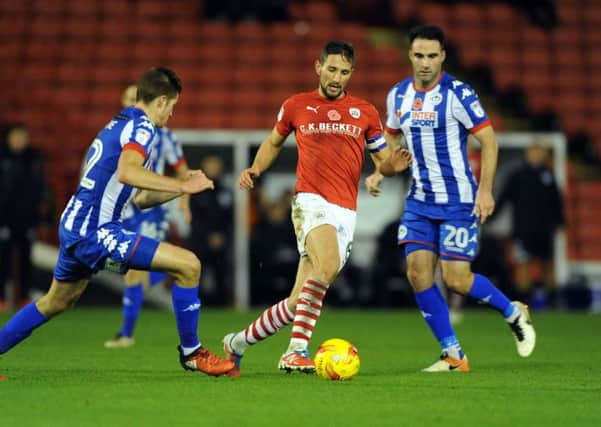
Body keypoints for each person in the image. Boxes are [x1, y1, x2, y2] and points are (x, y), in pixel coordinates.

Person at [0, 67, 234, 377]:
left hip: (76, 226)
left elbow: (138, 197)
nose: (172, 115)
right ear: (161, 101)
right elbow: (127, 172)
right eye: (173, 106)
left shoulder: (119, 123)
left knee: (55, 301)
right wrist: (181, 187)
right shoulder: (142, 128)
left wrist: (180, 185)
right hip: (97, 232)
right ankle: (192, 353)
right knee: (189, 265)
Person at [222, 40, 412, 377]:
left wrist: (392, 167)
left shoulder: (365, 112)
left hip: (345, 211)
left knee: (300, 299)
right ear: (318, 67)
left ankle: (237, 343)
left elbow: (382, 162)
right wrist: (255, 169)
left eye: (345, 71)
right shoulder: (296, 106)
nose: (337, 77)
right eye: (332, 69)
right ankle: (295, 351)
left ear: (352, 73)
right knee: (326, 267)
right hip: (310, 201)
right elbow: (273, 142)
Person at [365, 25, 536, 372]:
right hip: (418, 201)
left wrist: (485, 190)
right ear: (409, 56)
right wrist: (381, 171)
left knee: (457, 279)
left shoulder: (458, 93)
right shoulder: (397, 96)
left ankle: (514, 312)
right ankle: (454, 355)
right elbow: (389, 145)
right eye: (418, 55)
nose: (425, 63)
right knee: (417, 274)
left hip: (458, 201)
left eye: (431, 56)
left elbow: (489, 141)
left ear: (442, 56)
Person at [104, 84, 192, 348]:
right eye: (129, 98)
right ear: (123, 100)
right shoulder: (116, 133)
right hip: (121, 212)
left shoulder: (165, 136)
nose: (133, 103)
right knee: (121, 267)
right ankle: (168, 269)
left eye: (136, 98)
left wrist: (184, 202)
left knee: (132, 273)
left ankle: (126, 335)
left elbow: (182, 171)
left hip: (150, 212)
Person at [495, 141, 565, 307]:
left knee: (547, 263)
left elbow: (556, 201)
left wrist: (560, 222)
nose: (536, 155)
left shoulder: (548, 175)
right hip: (523, 229)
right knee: (523, 263)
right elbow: (504, 198)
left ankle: (552, 300)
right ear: (528, 154)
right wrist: (490, 215)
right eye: (533, 151)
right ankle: (523, 301)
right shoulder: (517, 175)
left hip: (545, 228)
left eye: (539, 152)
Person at [0, 124, 51, 312]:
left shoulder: (34, 158)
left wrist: (44, 216)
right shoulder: (2, 157)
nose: (20, 140)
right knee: (3, 260)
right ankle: (2, 299)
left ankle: (23, 298)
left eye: (23, 136)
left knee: (25, 261)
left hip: (27, 218)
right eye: (16, 136)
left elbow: (43, 188)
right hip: (4, 218)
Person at [186, 154, 233, 306]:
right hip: (200, 241)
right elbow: (195, 218)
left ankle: (222, 305)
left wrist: (221, 236)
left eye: (216, 166)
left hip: (221, 242)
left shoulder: (225, 192)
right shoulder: (195, 192)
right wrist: (208, 236)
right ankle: (194, 303)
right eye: (211, 165)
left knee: (221, 274)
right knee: (197, 273)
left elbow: (229, 219)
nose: (214, 169)